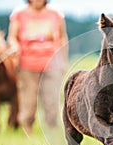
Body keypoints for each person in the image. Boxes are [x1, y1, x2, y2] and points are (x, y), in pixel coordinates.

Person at [8, 0, 69, 135]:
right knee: (28, 102)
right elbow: (12, 37)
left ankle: (53, 135)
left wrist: (63, 61)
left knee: (52, 102)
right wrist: (14, 46)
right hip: (27, 66)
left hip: (53, 65)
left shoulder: (56, 14)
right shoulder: (19, 14)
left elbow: (63, 38)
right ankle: (27, 135)